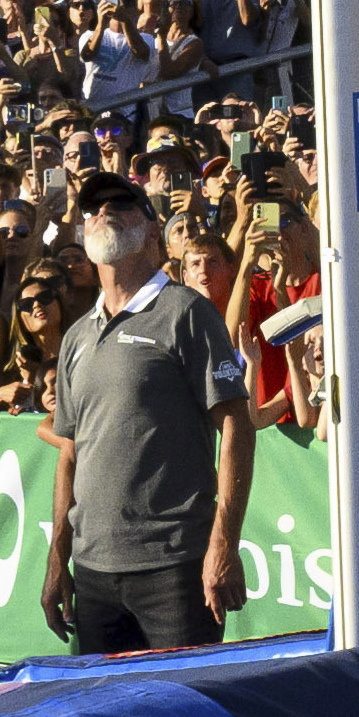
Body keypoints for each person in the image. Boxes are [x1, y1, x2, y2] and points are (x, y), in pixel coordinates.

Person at [42, 174, 250, 657]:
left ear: (154, 233)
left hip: (175, 567)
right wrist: (58, 559)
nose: (104, 211)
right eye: (92, 207)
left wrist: (223, 543)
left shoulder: (187, 311)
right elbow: (69, 452)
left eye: (121, 203)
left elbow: (237, 426)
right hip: (93, 574)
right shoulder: (76, 335)